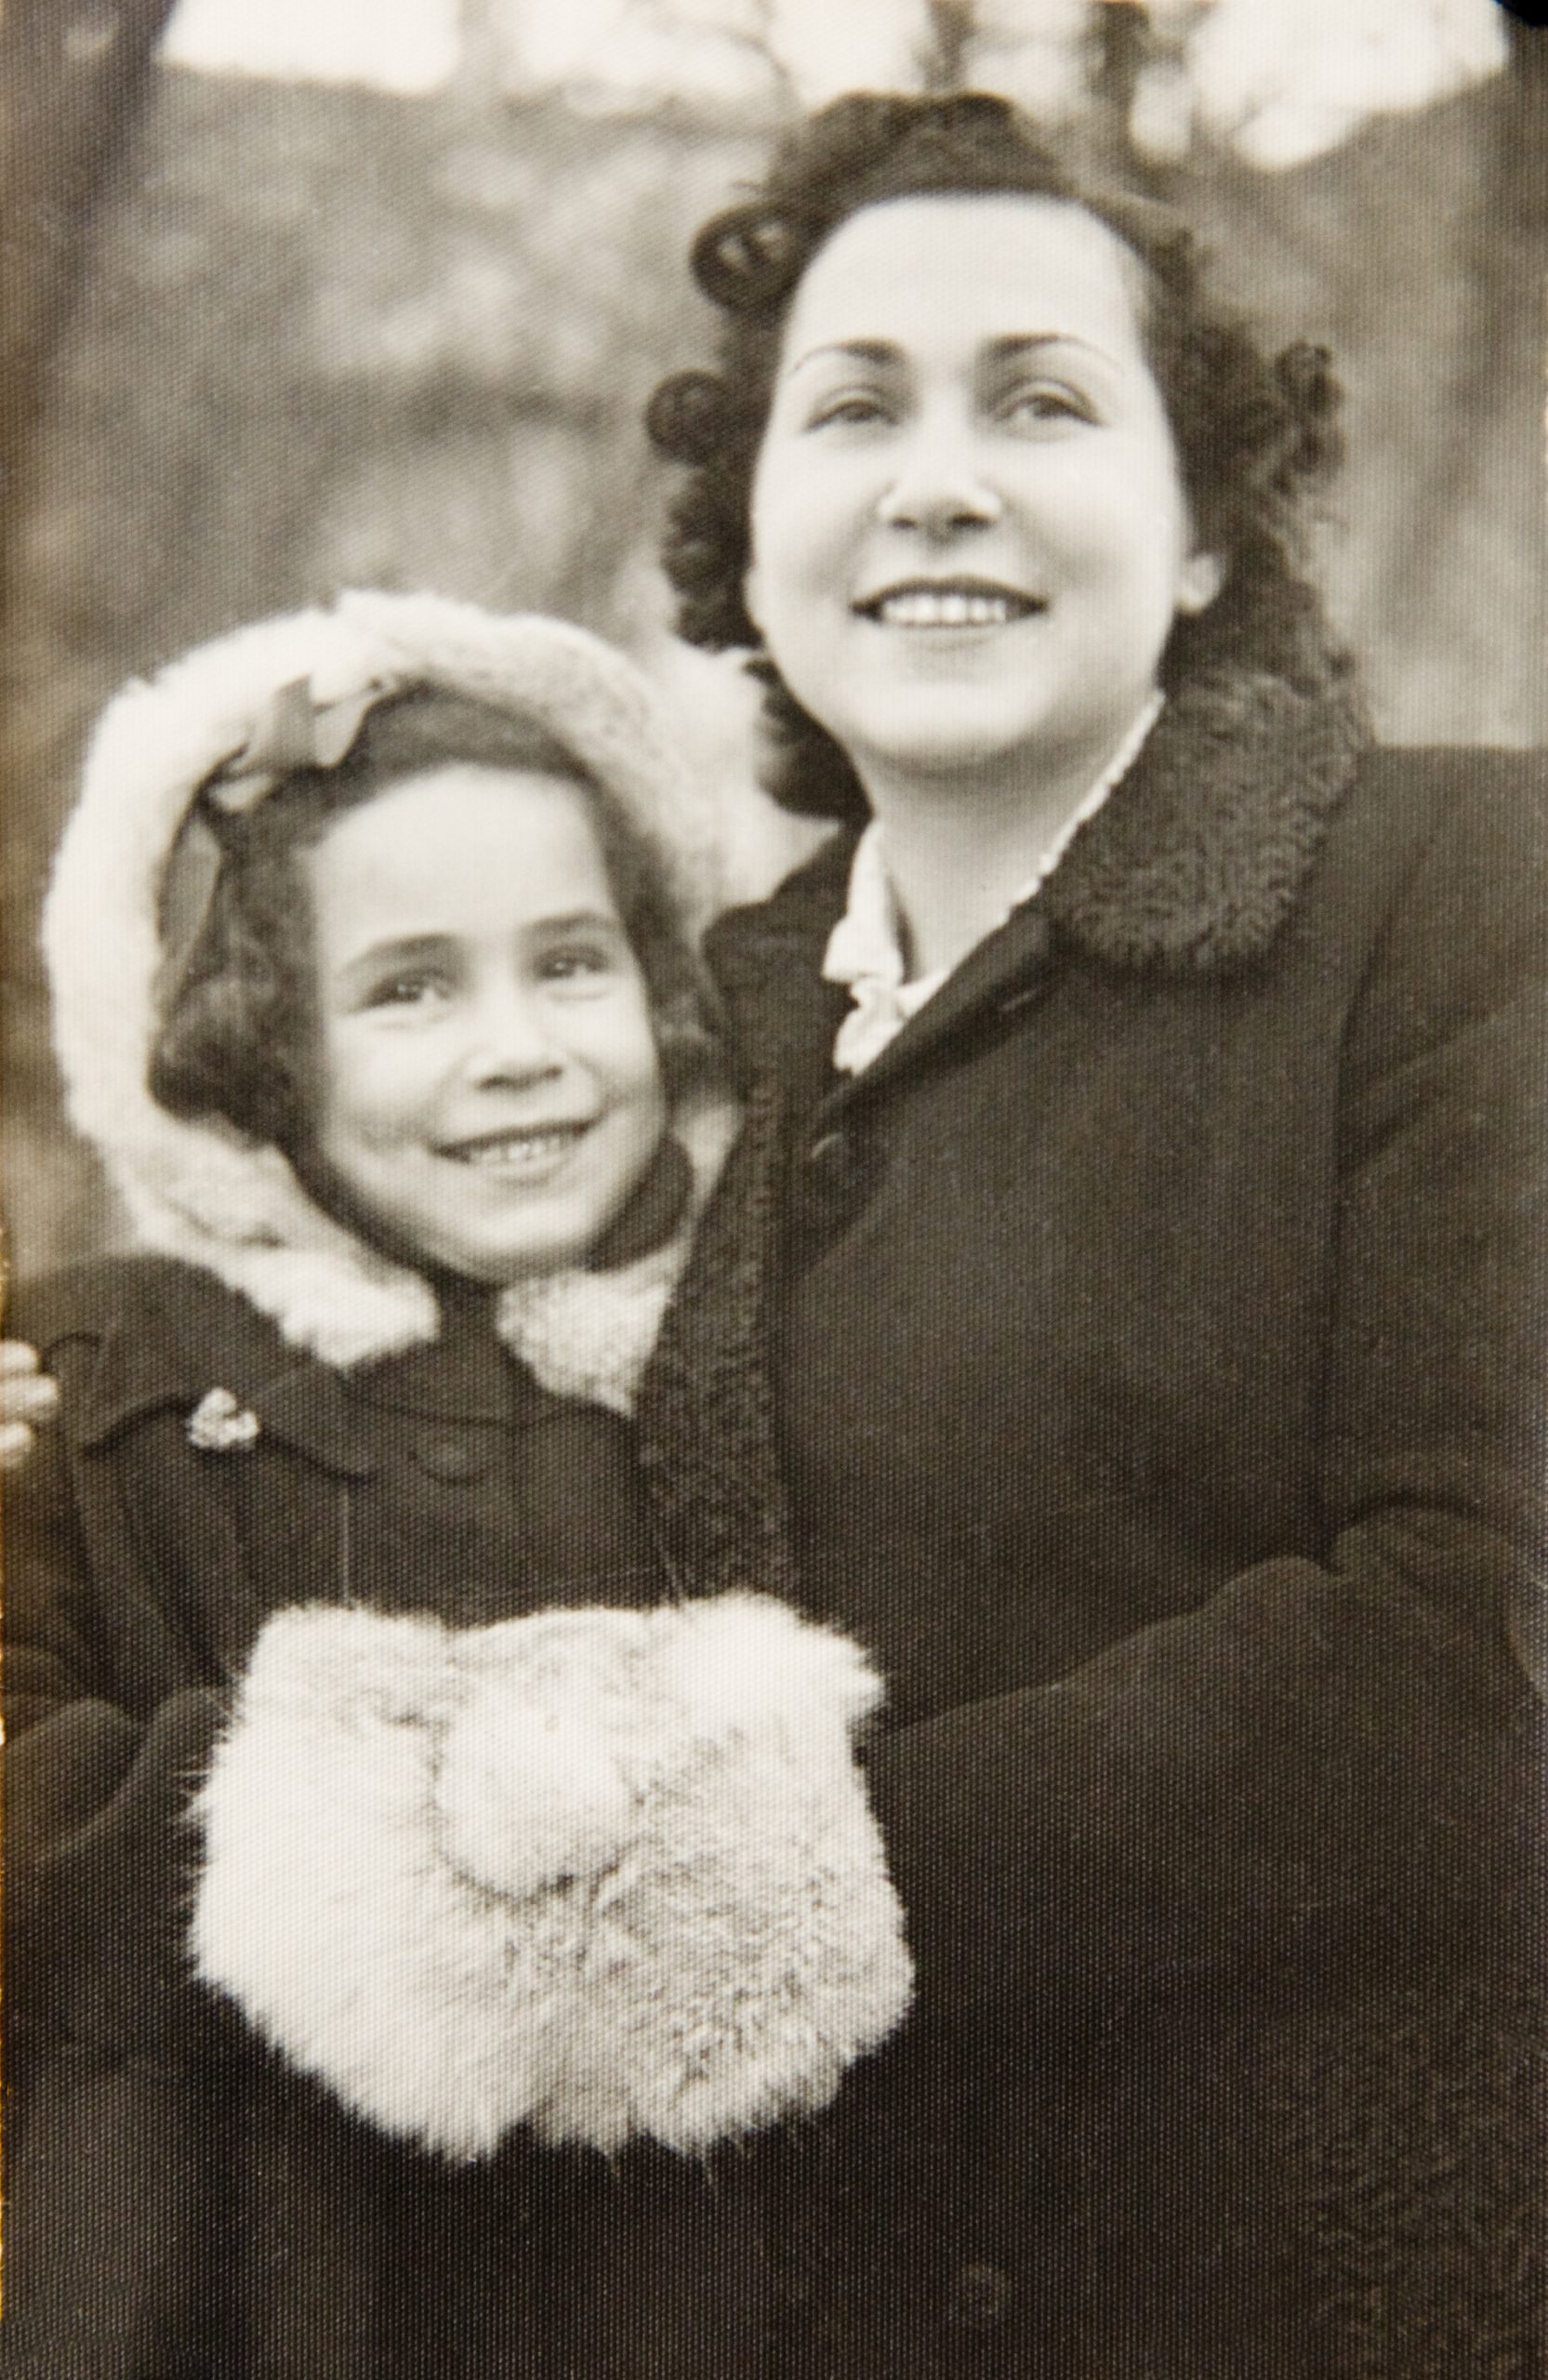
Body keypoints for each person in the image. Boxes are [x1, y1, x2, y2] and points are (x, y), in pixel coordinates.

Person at [631, 90, 1547, 2376]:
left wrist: (762, 1888)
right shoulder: (682, 1037)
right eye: (852, 408)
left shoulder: (1460, 893)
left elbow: (1472, 1642)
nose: (934, 480)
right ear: (751, 534)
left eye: (1038, 401)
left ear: (1205, 531)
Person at [1, 588, 912, 2380]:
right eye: (409, 988)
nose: (517, 1048)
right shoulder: (103, 1374)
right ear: (263, 1053)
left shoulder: (763, 1346)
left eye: (570, 963)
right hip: (235, 2283)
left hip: (692, 2295)